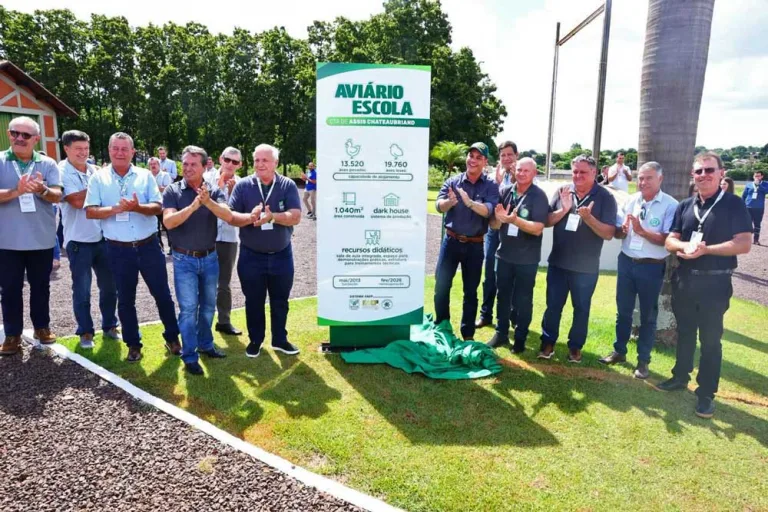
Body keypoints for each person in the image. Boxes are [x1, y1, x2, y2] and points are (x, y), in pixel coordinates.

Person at [659, 152, 752, 419]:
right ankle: (679, 377)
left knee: (711, 341)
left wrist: (705, 250)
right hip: (685, 280)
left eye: (709, 170)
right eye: (699, 171)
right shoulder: (685, 205)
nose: (704, 175)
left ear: (721, 173)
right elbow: (670, 241)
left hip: (715, 283)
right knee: (685, 333)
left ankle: (706, 393)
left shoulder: (733, 204)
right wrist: (684, 247)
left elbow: (744, 243)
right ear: (693, 176)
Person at [85, 132, 181, 363]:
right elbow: (90, 211)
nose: (119, 153)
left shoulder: (145, 175)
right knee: (126, 299)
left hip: (148, 246)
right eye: (115, 148)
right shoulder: (98, 178)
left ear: (132, 152)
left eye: (124, 149)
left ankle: (172, 338)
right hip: (118, 249)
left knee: (163, 295)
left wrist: (137, 208)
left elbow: (158, 206)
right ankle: (133, 344)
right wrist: (115, 209)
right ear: (109, 151)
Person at [598, 162, 678, 378]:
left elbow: (667, 239)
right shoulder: (632, 200)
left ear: (660, 179)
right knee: (622, 311)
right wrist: (622, 231)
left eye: (648, 178)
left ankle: (643, 362)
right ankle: (619, 351)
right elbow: (619, 231)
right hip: (626, 262)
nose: (643, 182)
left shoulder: (670, 205)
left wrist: (642, 231)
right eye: (640, 178)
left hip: (651, 267)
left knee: (648, 316)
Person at [539, 155, 617, 362]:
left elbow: (609, 233)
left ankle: (575, 347)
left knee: (581, 309)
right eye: (575, 171)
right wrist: (563, 210)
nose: (577, 176)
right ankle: (548, 342)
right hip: (558, 262)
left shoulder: (605, 197)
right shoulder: (563, 191)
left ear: (594, 172)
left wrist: (589, 218)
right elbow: (546, 221)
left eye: (583, 172)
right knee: (553, 305)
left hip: (586, 267)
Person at [163, 145, 233, 375]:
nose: (188, 168)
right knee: (188, 309)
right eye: (185, 164)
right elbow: (169, 222)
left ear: (205, 166)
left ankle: (206, 344)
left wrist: (208, 201)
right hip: (184, 260)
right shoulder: (173, 190)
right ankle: (190, 355)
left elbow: (227, 214)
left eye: (194, 164)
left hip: (210, 258)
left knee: (208, 307)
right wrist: (194, 205)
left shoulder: (213, 189)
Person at [228, 144, 302, 358]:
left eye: (265, 160)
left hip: (281, 255)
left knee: (281, 300)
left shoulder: (287, 185)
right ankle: (255, 341)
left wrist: (273, 217)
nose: (260, 164)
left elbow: (296, 216)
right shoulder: (243, 186)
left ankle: (280, 339)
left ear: (275, 163)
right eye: (257, 160)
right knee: (253, 301)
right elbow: (232, 216)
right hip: (251, 256)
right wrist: (250, 217)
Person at [0, 116, 63, 356]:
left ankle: (41, 327)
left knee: (40, 286)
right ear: (9, 133)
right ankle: (12, 335)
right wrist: (17, 191)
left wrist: (42, 190)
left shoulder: (47, 164)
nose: (19, 138)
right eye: (15, 133)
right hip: (7, 240)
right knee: (9, 289)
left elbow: (58, 195)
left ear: (36, 139)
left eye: (26, 135)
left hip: (41, 238)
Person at [59, 130, 121, 349]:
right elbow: (76, 201)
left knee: (110, 287)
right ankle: (85, 331)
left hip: (103, 238)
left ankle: (110, 326)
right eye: (78, 149)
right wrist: (98, 189)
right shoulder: (61, 170)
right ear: (66, 149)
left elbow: (109, 195)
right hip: (78, 241)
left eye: (86, 148)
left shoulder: (95, 170)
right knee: (82, 289)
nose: (83, 153)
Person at [434, 142, 500, 341]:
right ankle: (442, 326)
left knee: (470, 292)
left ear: (485, 162)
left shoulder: (490, 185)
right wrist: (449, 202)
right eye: (471, 156)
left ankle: (467, 334)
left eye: (478, 157)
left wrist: (470, 203)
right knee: (441, 286)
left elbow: (489, 210)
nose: (473, 160)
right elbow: (439, 205)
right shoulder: (453, 181)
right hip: (451, 242)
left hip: (475, 245)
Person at [486, 157, 548, 353]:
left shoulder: (539, 196)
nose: (521, 174)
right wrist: (498, 219)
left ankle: (520, 337)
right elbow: (494, 225)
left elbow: (538, 228)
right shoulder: (505, 191)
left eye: (526, 171)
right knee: (502, 296)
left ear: (534, 173)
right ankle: (501, 333)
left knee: (523, 299)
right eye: (519, 170)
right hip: (503, 255)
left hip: (526, 259)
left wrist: (514, 220)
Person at [476, 141, 517, 330]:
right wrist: (498, 184)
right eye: (503, 155)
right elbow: (488, 201)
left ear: (516, 156)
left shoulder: (525, 174)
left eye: (510, 154)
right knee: (490, 273)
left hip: (514, 234)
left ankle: (512, 316)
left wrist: (517, 180)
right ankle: (486, 315)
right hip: (493, 231)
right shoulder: (493, 178)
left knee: (511, 276)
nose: (507, 158)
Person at [204, 147, 244, 336]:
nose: (230, 164)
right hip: (206, 237)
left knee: (224, 283)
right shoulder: (206, 178)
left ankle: (224, 321)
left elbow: (242, 212)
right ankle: (202, 323)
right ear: (221, 159)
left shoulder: (242, 184)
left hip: (229, 238)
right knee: (203, 281)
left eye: (235, 162)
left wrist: (233, 192)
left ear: (240, 165)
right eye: (227, 160)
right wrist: (219, 188)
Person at [148, 157, 171, 252]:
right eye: (151, 164)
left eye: (155, 164)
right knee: (155, 229)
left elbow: (168, 189)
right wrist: (159, 188)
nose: (153, 166)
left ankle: (172, 247)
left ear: (159, 165)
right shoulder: (147, 176)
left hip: (164, 205)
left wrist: (155, 188)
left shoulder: (165, 175)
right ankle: (160, 248)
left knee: (168, 228)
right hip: (152, 206)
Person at [742, 170, 768, 245]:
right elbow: (744, 195)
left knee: (757, 224)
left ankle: (756, 240)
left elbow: (766, 191)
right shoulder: (749, 185)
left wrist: (759, 185)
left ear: (762, 177)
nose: (756, 177)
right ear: (753, 176)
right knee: (747, 224)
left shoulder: (765, 184)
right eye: (755, 176)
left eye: (758, 176)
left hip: (759, 208)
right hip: (748, 206)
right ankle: (746, 240)